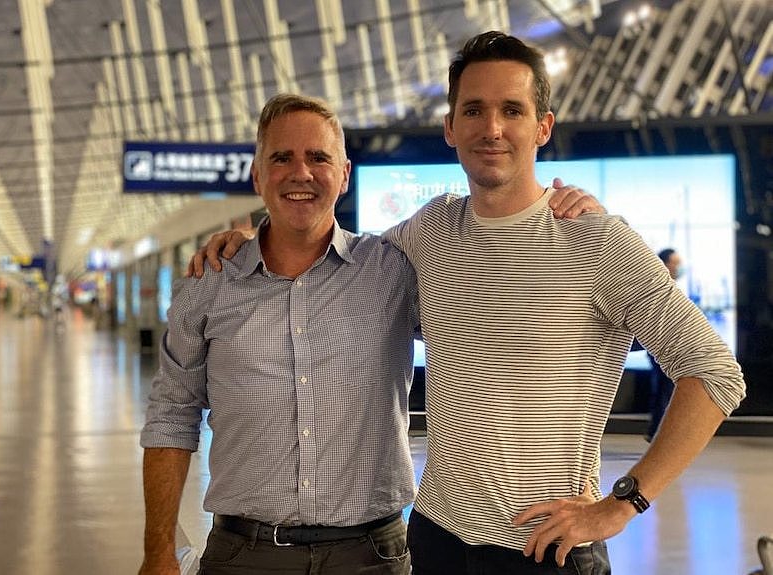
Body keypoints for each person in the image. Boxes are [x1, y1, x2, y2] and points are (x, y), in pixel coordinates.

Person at [191, 32, 745, 575]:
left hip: (544, 548)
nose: (493, 128)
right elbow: (332, 263)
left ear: (542, 127)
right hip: (435, 538)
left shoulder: (595, 243)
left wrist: (623, 503)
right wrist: (253, 240)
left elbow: (715, 375)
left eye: (512, 110)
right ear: (450, 128)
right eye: (474, 110)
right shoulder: (430, 230)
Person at [140, 94, 602, 575]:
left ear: (343, 175)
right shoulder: (210, 284)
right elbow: (172, 415)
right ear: (258, 176)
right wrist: (157, 555)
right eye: (282, 158)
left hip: (372, 557)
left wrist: (560, 216)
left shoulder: (392, 269)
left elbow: (502, 329)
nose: (301, 173)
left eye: (319, 157)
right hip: (243, 555)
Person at [645, 248, 683, 441]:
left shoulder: (671, 286)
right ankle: (658, 433)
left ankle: (656, 431)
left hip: (671, 344)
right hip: (659, 345)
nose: (678, 267)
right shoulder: (658, 286)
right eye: (675, 263)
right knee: (663, 388)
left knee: (664, 388)